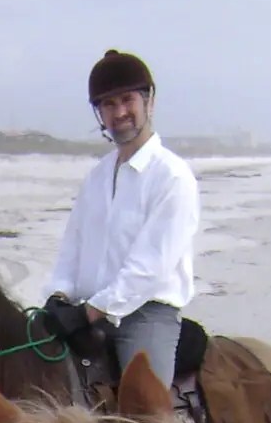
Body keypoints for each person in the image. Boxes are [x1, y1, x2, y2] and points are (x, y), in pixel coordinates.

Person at [43, 49, 200, 390]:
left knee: (147, 421)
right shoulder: (96, 178)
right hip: (83, 313)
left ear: (149, 101)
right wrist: (58, 295)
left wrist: (90, 312)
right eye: (108, 105)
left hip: (144, 317)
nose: (120, 113)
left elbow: (150, 266)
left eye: (127, 100)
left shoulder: (172, 176)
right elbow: (73, 248)